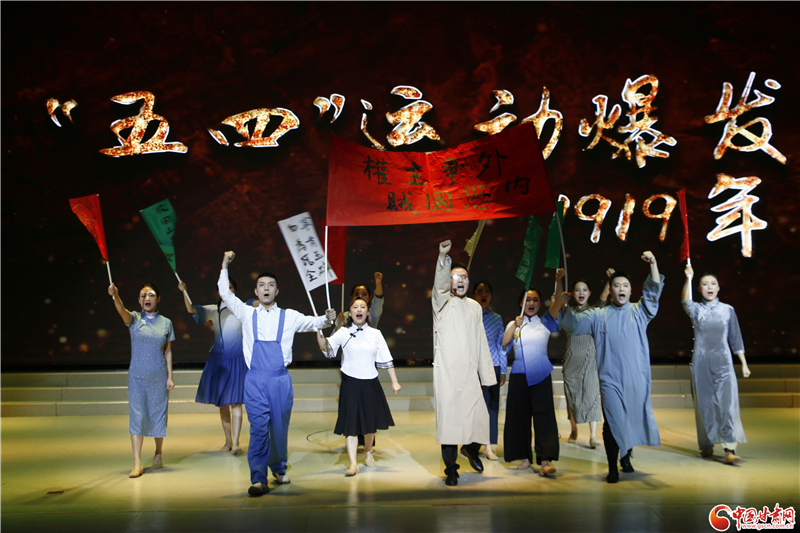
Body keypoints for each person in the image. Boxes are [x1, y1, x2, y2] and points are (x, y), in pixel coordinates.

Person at [217, 251, 336, 496]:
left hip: (280, 380)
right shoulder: (247, 313)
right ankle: (258, 478)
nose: (266, 288)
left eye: (270, 285)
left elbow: (314, 323)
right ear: (256, 291)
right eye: (262, 285)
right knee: (259, 428)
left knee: (279, 428)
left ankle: (279, 468)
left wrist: (327, 319)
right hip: (255, 380)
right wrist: (224, 265)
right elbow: (225, 294)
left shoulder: (289, 316)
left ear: (277, 291)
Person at [557, 251, 663, 483]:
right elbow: (574, 324)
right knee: (613, 421)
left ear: (631, 290)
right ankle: (612, 466)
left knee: (630, 419)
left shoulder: (639, 312)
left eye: (625, 285)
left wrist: (653, 264)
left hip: (635, 378)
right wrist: (562, 306)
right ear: (610, 290)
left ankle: (626, 456)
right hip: (609, 380)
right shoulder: (599, 315)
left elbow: (653, 292)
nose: (621, 288)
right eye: (616, 285)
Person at [431, 240, 497, 487]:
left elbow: (481, 341)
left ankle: (470, 449)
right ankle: (451, 469)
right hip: (447, 375)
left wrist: (487, 376)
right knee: (449, 425)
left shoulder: (474, 307)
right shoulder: (441, 303)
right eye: (455, 277)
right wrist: (442, 258)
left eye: (464, 277)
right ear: (449, 281)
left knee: (479, 416)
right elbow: (439, 286)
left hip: (469, 374)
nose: (460, 281)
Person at [317, 298, 401, 476]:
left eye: (362, 306)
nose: (359, 309)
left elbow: (386, 357)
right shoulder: (343, 332)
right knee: (351, 425)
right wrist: (318, 329)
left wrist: (394, 381)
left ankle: (368, 451)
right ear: (350, 312)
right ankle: (353, 463)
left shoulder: (375, 334)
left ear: (367, 312)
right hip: (350, 383)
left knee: (370, 424)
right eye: (355, 307)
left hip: (370, 382)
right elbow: (326, 348)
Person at [682, 265, 750, 464]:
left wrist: (744, 364)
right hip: (701, 365)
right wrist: (689, 278)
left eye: (713, 284)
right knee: (705, 406)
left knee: (727, 406)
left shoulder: (728, 310)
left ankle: (729, 448)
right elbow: (685, 301)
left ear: (719, 287)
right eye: (705, 284)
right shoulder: (697, 310)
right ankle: (706, 446)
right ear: (699, 289)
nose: (709, 287)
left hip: (724, 365)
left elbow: (736, 339)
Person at [108, 282, 175, 478]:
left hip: (158, 377)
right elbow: (121, 309)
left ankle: (158, 452)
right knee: (137, 416)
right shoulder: (134, 319)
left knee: (158, 415)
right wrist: (115, 296)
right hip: (137, 377)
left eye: (151, 295)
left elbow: (168, 351)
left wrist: (170, 377)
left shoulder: (166, 323)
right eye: (143, 295)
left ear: (158, 299)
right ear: (139, 300)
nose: (147, 298)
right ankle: (137, 463)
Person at [178, 279, 247, 455]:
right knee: (223, 403)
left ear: (235, 290)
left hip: (237, 359)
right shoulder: (213, 309)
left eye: (230, 287)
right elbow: (191, 309)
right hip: (219, 359)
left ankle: (236, 442)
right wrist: (184, 291)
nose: (227, 290)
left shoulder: (243, 309)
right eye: (224, 288)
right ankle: (228, 441)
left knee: (236, 402)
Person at [502, 287, 561, 476]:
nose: (532, 303)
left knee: (544, 417)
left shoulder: (545, 321)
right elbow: (504, 342)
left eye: (535, 300)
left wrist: (558, 281)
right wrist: (515, 325)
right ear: (521, 303)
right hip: (519, 374)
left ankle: (545, 460)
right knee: (519, 417)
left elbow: (558, 303)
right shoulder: (514, 323)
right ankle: (524, 457)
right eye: (528, 300)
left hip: (541, 374)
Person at [553, 268, 611, 449]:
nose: (581, 293)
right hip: (572, 360)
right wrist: (559, 280)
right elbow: (559, 301)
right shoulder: (567, 310)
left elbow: (604, 297)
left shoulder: (594, 312)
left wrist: (610, 279)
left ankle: (593, 435)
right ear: (572, 293)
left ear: (589, 293)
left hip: (590, 360)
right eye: (577, 290)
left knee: (592, 395)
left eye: (584, 290)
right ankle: (574, 429)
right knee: (572, 396)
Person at [472, 281, 507, 461]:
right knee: (473, 407)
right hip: (472, 367)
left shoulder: (496, 318)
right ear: (473, 295)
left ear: (491, 296)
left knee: (491, 407)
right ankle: (471, 444)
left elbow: (502, 345)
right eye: (480, 291)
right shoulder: (468, 316)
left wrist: (503, 369)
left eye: (487, 291)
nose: (483, 294)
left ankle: (489, 446)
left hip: (492, 365)